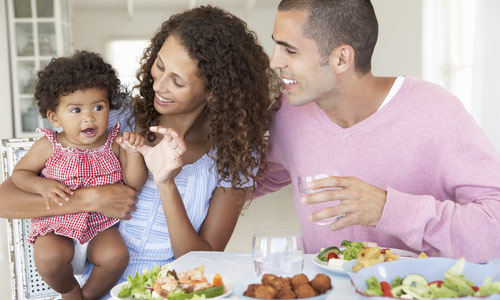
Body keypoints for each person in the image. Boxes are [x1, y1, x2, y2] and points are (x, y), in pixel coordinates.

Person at [0, 5, 281, 291]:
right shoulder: (114, 119)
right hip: (98, 287)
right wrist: (89, 199)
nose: (158, 84)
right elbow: (5, 200)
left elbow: (203, 259)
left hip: (168, 292)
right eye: (160, 65)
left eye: (177, 81)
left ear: (214, 90)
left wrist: (165, 183)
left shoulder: (235, 153)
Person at [255, 0, 500, 262]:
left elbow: (494, 229)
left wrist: (388, 209)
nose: (274, 62)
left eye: (290, 51)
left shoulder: (437, 112)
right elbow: (235, 182)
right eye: (276, 45)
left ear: (341, 58)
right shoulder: (290, 113)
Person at [10, 51, 148, 299]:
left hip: (99, 225)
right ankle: (70, 291)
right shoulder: (49, 145)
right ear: (54, 117)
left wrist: (135, 153)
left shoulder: (115, 142)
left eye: (98, 107)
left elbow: (134, 182)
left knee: (117, 256)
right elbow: (20, 174)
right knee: (48, 258)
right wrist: (41, 185)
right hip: (57, 225)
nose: (89, 117)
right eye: (76, 110)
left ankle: (88, 296)